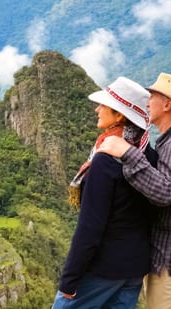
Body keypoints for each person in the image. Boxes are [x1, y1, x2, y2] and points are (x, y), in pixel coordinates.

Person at [97, 73, 171, 308]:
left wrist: (126, 152)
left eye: (152, 96)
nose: (147, 101)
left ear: (167, 104)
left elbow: (164, 191)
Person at [53, 77, 157, 308]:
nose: (96, 109)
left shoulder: (105, 159)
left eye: (104, 105)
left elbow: (91, 226)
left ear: (119, 115)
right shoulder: (149, 154)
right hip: (134, 269)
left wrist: (69, 280)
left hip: (103, 269)